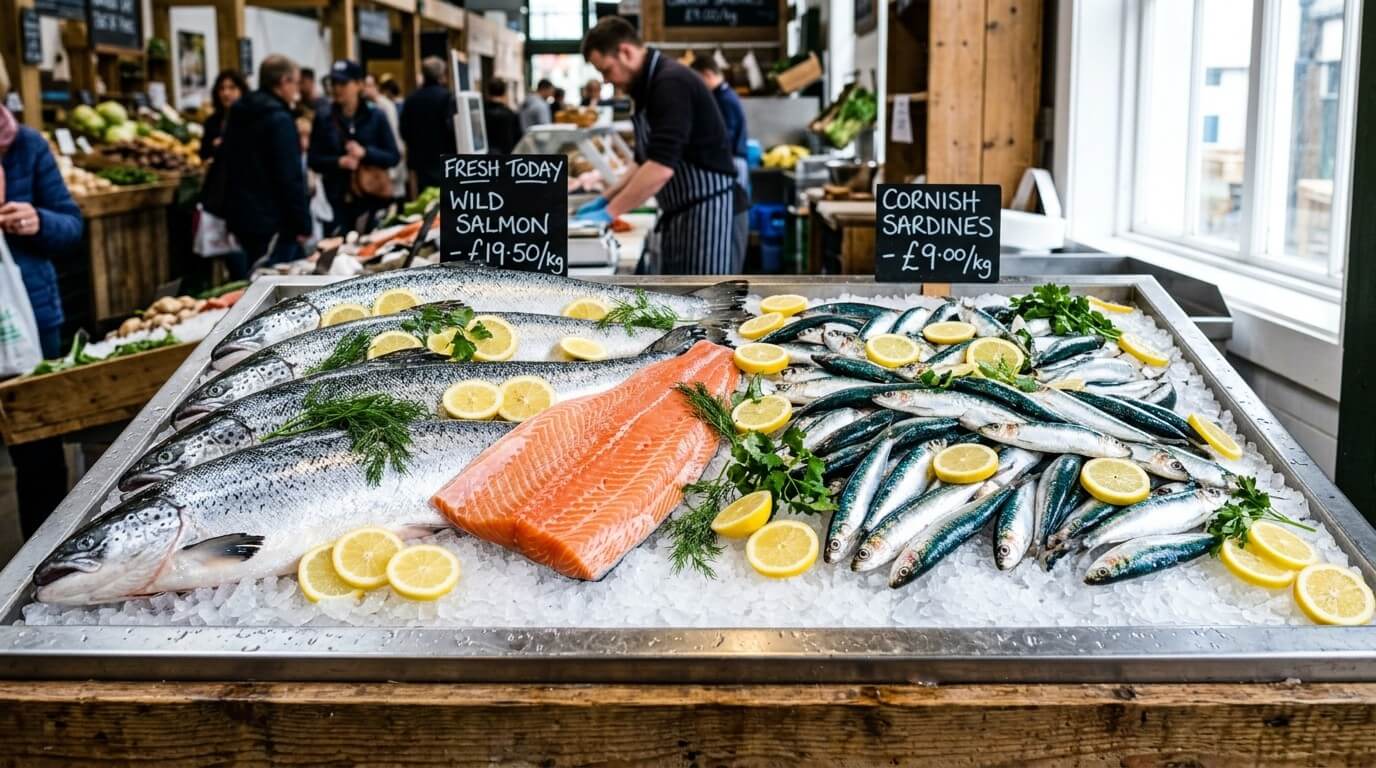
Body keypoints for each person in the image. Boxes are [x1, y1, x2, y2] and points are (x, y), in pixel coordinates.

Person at [575, 17, 742, 274]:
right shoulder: (646, 88)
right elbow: (642, 160)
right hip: (682, 212)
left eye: (606, 70)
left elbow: (661, 167)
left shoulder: (670, 83)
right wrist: (605, 199)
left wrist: (610, 213)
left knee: (707, 302)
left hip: (709, 211)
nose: (606, 80)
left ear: (626, 52)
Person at [0, 55, 84, 538]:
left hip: (31, 318)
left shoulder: (27, 146)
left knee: (38, 451)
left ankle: (46, 554)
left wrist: (37, 222)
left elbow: (70, 225)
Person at [216, 54, 312, 272]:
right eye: (295, 83)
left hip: (242, 217)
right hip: (274, 222)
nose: (297, 90)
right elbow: (289, 176)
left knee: (252, 276)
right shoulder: (279, 119)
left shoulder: (238, 112)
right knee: (274, 281)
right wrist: (302, 223)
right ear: (284, 81)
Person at [308, 59, 401, 235]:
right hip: (335, 201)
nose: (337, 88)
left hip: (370, 199)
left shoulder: (376, 116)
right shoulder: (324, 118)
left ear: (359, 84)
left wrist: (365, 153)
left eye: (343, 83)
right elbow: (313, 160)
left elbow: (393, 156)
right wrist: (339, 162)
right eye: (333, 83)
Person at [690, 57, 750, 273]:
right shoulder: (722, 96)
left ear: (707, 74)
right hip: (731, 163)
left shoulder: (724, 99)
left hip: (733, 164)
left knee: (733, 219)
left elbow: (725, 137)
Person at [399, 56, 457, 191]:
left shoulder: (411, 99)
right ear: (442, 74)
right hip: (444, 160)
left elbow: (404, 130)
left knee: (424, 203)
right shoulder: (447, 98)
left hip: (420, 162)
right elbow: (453, 129)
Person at [363, 73, 406, 200]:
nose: (366, 89)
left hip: (389, 162)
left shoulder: (385, 106)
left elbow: (394, 134)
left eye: (369, 85)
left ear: (376, 87)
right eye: (364, 85)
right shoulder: (363, 107)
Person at [200, 69, 247, 161]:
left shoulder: (252, 119)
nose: (226, 93)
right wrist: (213, 145)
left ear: (242, 91)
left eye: (232, 88)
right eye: (222, 88)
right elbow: (203, 154)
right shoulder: (211, 121)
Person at [482, 80, 522, 156]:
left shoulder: (482, 113)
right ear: (504, 93)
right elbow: (517, 138)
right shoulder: (511, 114)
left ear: (488, 93)